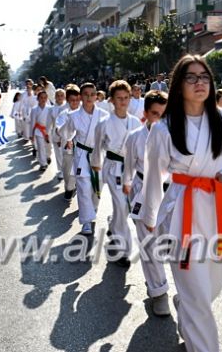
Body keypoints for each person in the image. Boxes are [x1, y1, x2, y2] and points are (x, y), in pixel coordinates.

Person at [142, 55, 222, 352]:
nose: (199, 83)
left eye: (204, 77)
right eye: (191, 77)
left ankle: (185, 303)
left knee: (212, 288)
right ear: (178, 86)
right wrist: (149, 214)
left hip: (218, 209)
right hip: (182, 213)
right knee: (198, 299)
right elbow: (153, 175)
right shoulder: (164, 128)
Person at [124, 90, 170, 316]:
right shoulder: (135, 137)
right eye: (155, 113)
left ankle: (184, 291)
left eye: (164, 113)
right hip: (143, 192)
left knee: (172, 244)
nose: (159, 119)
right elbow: (129, 167)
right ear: (145, 113)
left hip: (172, 195)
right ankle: (159, 291)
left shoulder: (176, 135)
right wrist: (126, 187)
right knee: (149, 244)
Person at [92, 80, 141, 264]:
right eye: (119, 98)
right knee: (122, 205)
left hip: (132, 169)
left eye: (126, 98)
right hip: (113, 169)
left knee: (126, 207)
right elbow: (97, 148)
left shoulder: (135, 122)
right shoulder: (104, 123)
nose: (123, 102)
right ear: (111, 100)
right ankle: (123, 250)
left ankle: (113, 225)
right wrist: (96, 164)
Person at [64, 83, 108, 235]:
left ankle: (93, 208)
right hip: (82, 154)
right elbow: (67, 132)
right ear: (81, 97)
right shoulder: (74, 115)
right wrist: (68, 138)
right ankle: (86, 221)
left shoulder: (104, 115)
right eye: (86, 94)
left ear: (96, 96)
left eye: (92, 94)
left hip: (99, 154)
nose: (89, 97)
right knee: (83, 187)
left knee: (98, 185)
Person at [56, 85, 81, 199]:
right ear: (68, 100)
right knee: (68, 171)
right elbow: (59, 130)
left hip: (83, 148)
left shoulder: (85, 112)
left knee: (83, 172)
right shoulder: (64, 114)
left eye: (77, 100)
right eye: (72, 100)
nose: (75, 102)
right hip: (68, 147)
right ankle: (69, 188)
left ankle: (80, 188)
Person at [30, 90, 53, 171]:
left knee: (48, 146)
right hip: (38, 130)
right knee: (40, 147)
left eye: (44, 98)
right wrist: (31, 134)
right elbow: (32, 122)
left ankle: (48, 156)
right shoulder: (34, 109)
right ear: (38, 99)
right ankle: (43, 163)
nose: (43, 99)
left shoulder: (50, 108)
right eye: (41, 98)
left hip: (48, 130)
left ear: (47, 99)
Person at [48, 89, 68, 180]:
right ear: (55, 97)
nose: (59, 97)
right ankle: (61, 170)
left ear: (64, 97)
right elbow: (49, 122)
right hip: (55, 134)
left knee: (66, 154)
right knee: (58, 153)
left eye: (61, 95)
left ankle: (68, 170)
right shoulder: (52, 108)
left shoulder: (67, 107)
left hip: (66, 135)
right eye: (58, 95)